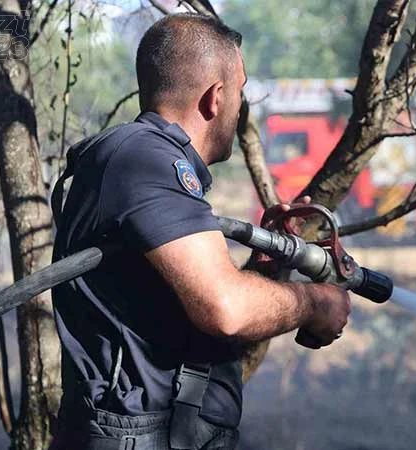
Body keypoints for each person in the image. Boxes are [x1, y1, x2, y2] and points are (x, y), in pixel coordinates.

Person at [49, 13, 351, 450]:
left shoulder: (143, 161)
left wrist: (268, 262)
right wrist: (314, 303)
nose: (241, 106)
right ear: (216, 97)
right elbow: (225, 308)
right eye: (241, 92)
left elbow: (185, 308)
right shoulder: (147, 160)